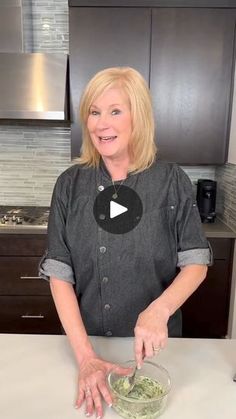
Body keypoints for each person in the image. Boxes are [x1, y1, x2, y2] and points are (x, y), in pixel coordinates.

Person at [39, 66, 212, 418]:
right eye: (94, 111)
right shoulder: (70, 185)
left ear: (139, 117)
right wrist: (86, 358)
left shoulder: (171, 181)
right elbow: (59, 273)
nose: (102, 124)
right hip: (85, 346)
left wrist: (159, 310)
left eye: (116, 111)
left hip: (154, 349)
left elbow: (195, 262)